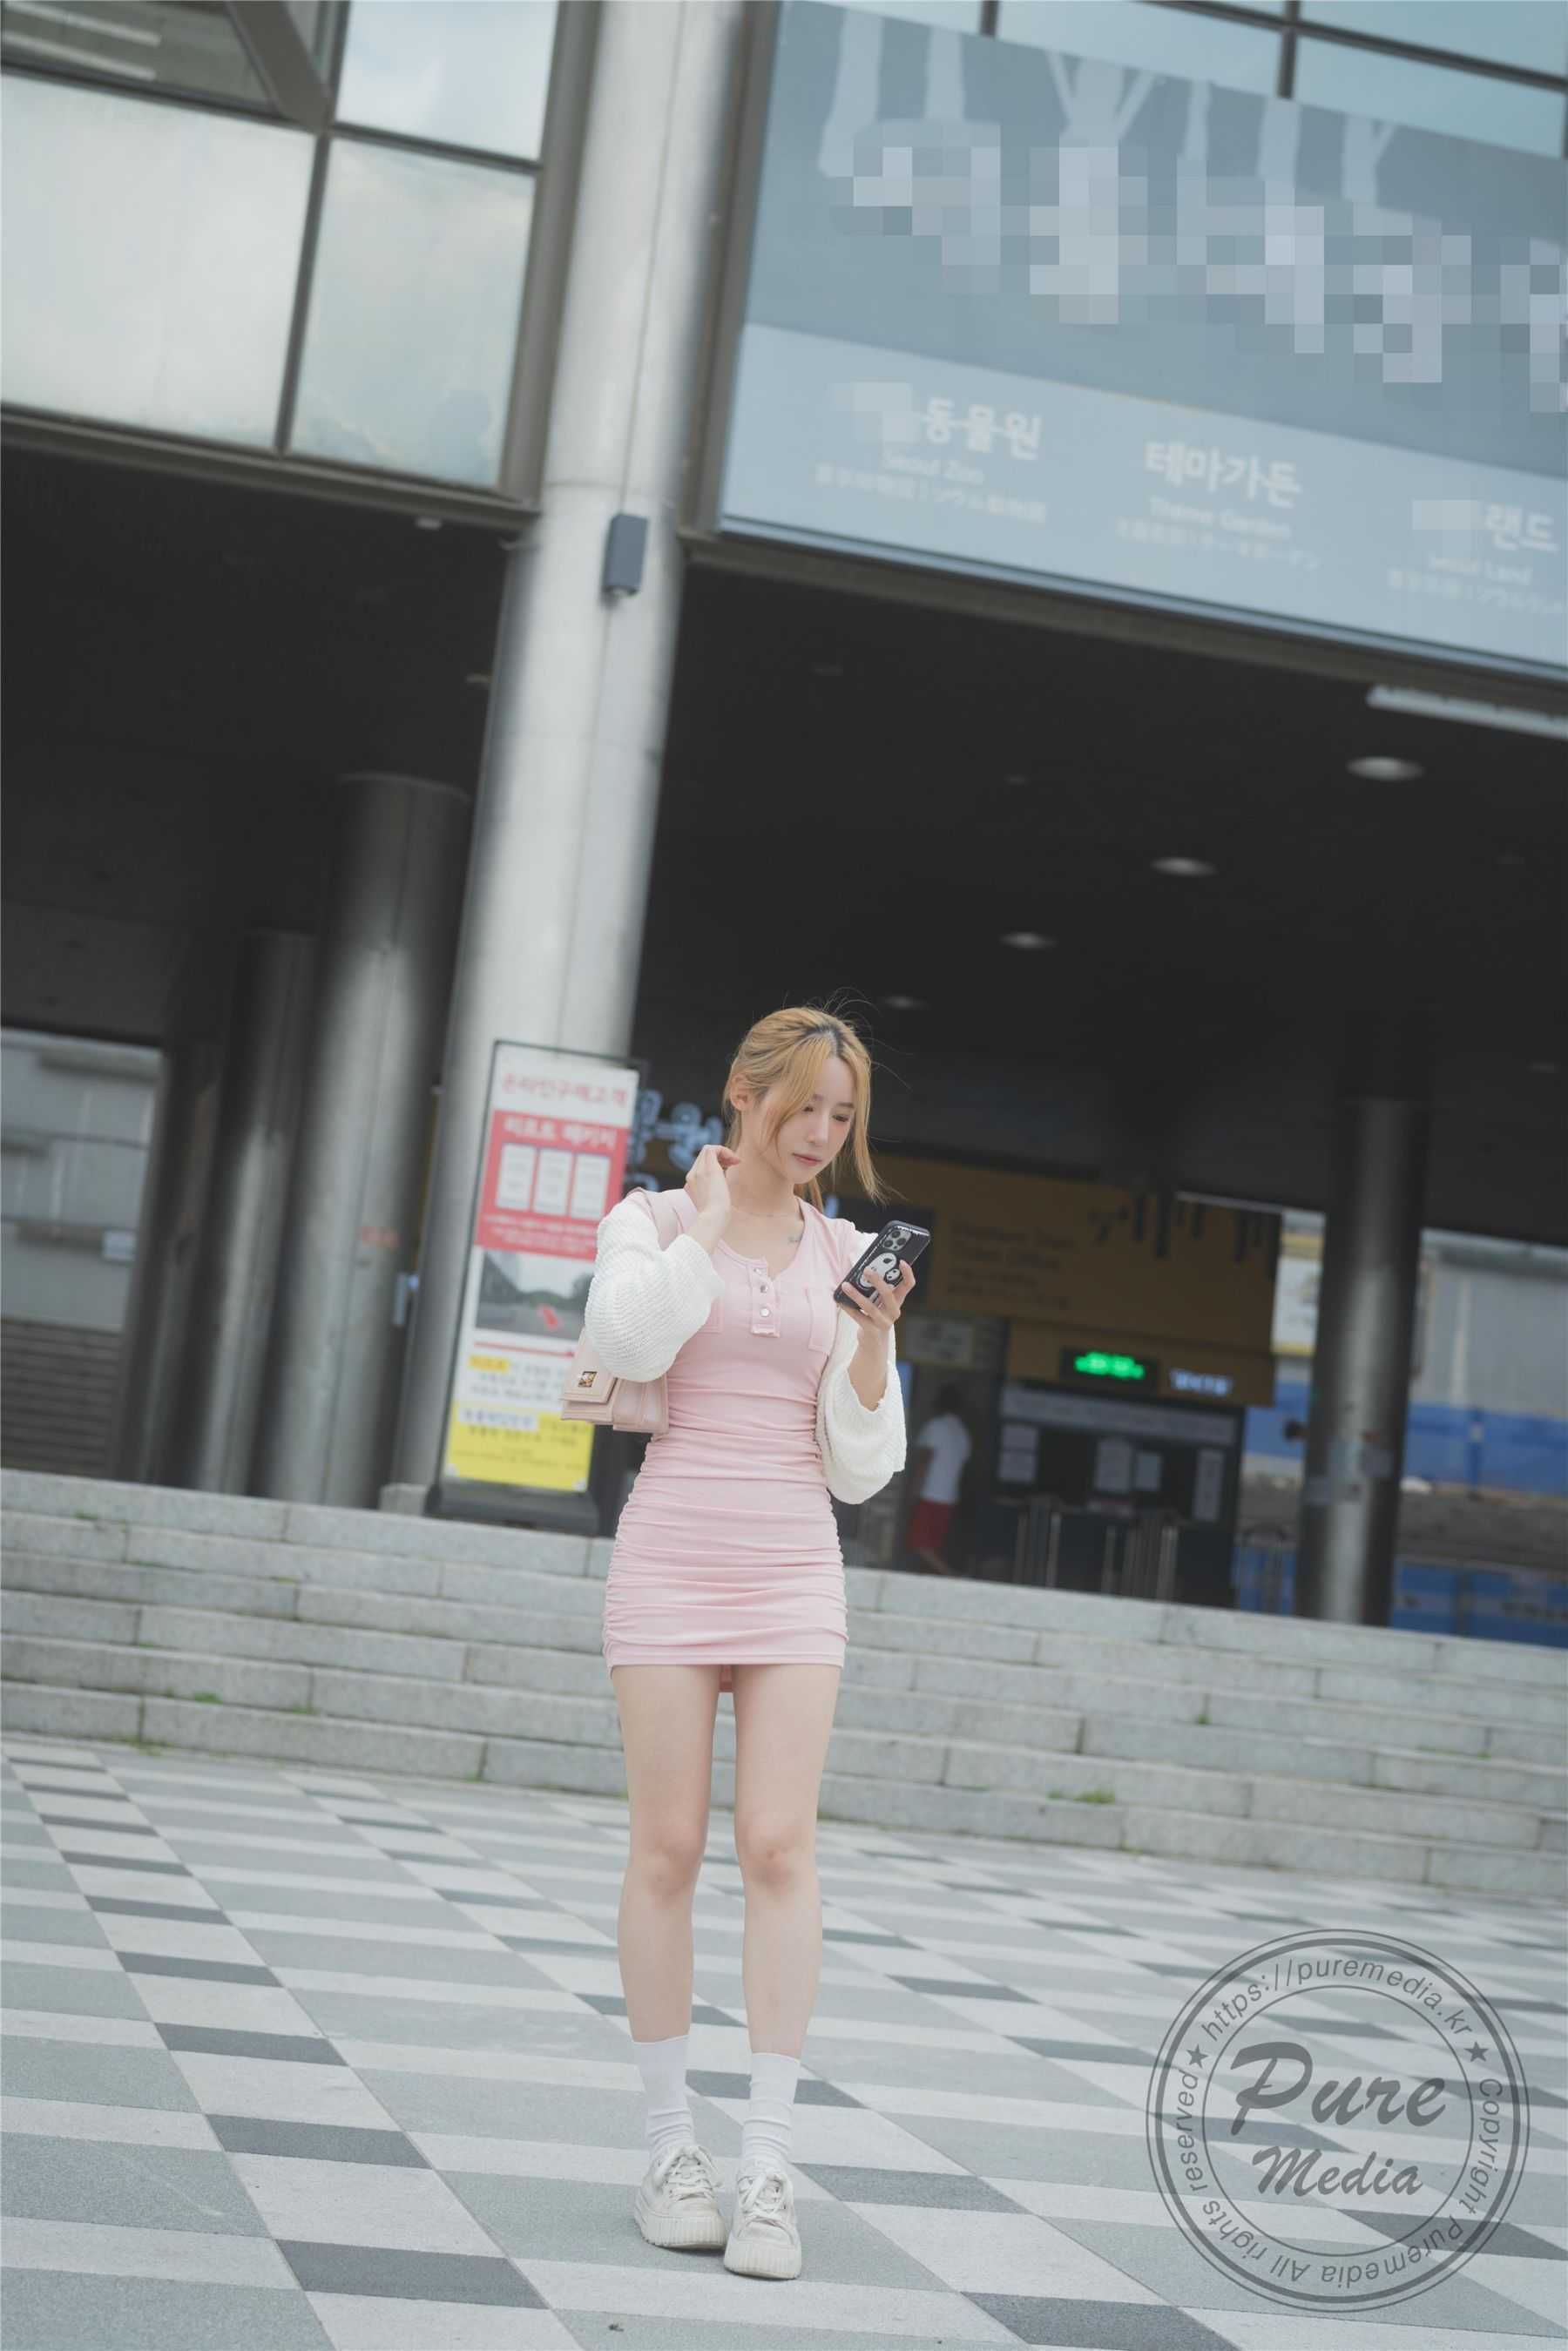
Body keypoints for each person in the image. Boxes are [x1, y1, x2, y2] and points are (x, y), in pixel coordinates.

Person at [582, 1006, 913, 2281]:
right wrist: (707, 1226)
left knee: (779, 1845)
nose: (821, 1133)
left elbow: (864, 1463)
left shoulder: (844, 1250)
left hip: (793, 1562)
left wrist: (874, 1335)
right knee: (666, 1845)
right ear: (742, 1091)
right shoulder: (652, 1219)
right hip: (671, 1548)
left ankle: (767, 2163)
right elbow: (627, 1340)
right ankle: (669, 2147)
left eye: (842, 1115)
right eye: (803, 1106)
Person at [905, 1382, 972, 1576]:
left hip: (930, 1494)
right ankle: (935, 1575)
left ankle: (950, 1574)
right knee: (934, 1544)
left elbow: (924, 1463)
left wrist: (914, 1490)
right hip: (950, 1497)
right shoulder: (963, 1433)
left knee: (919, 1542)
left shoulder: (935, 1427)